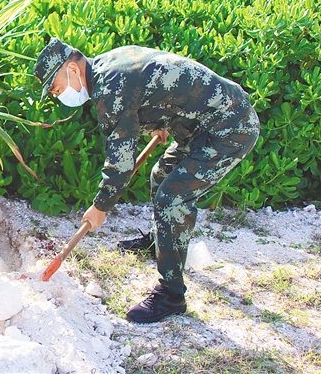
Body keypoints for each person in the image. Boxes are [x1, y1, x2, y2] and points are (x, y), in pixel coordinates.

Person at [33, 38, 259, 323]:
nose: (58, 95)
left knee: (172, 197)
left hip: (229, 126)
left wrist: (100, 206)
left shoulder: (109, 88)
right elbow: (157, 85)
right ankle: (160, 243)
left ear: (73, 70)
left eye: (56, 87)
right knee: (161, 174)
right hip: (202, 123)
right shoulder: (109, 63)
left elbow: (121, 162)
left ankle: (171, 296)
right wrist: (163, 120)